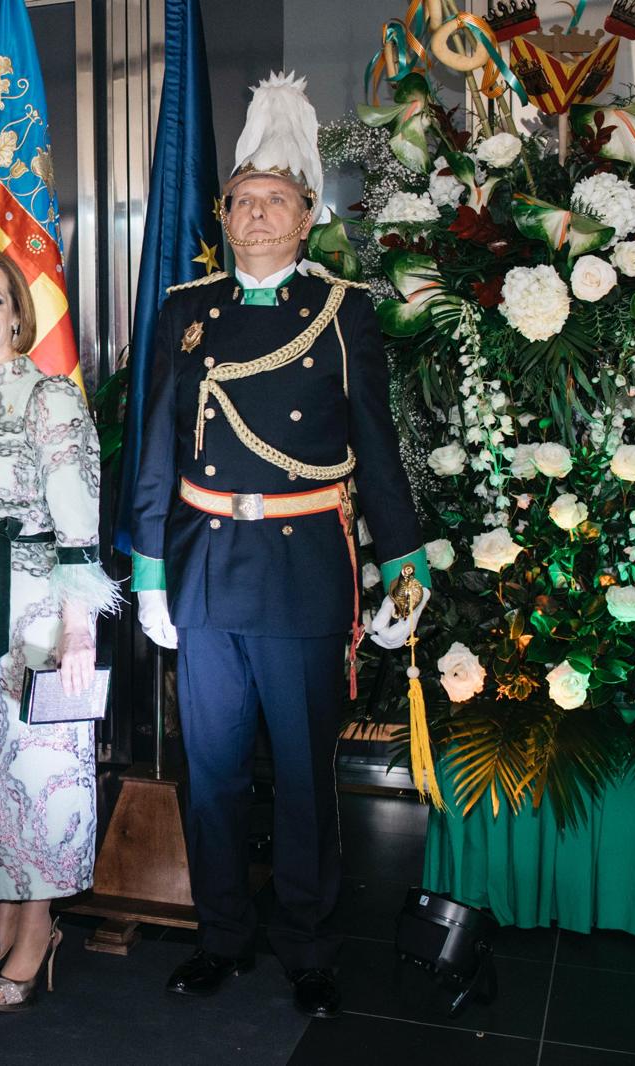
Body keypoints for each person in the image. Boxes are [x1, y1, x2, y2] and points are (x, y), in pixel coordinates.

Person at [128, 73, 431, 1019]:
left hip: (304, 571)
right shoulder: (186, 308)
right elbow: (157, 442)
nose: (257, 215)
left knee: (303, 776)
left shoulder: (348, 312)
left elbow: (375, 450)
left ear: (308, 216)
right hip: (209, 565)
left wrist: (403, 563)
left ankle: (307, 943)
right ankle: (223, 934)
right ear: (225, 216)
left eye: (277, 201)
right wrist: (147, 572)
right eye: (242, 201)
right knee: (210, 772)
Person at [0, 245, 120, 1012]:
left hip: (39, 603)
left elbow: (78, 518)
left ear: (18, 313)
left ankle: (38, 926)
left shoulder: (51, 397)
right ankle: (5, 910)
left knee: (44, 768)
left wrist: (80, 628)